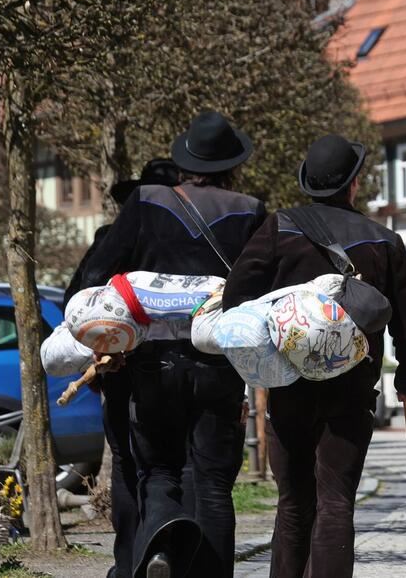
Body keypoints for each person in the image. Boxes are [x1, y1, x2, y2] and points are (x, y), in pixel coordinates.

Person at [220, 133, 406, 578]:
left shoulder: (279, 228)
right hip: (351, 393)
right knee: (336, 504)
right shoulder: (384, 240)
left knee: (293, 505)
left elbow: (236, 299)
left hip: (289, 387)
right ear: (353, 185)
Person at [82, 112, 267, 578]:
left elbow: (93, 277)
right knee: (213, 484)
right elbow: (262, 292)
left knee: (158, 470)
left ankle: (161, 547)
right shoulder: (251, 209)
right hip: (218, 362)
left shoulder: (145, 201)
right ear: (232, 164)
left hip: (151, 363)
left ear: (186, 159)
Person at [66, 157, 180, 578]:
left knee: (129, 465)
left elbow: (75, 300)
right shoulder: (186, 243)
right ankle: (163, 549)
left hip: (120, 368)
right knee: (172, 464)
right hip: (178, 368)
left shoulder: (107, 240)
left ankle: (130, 560)